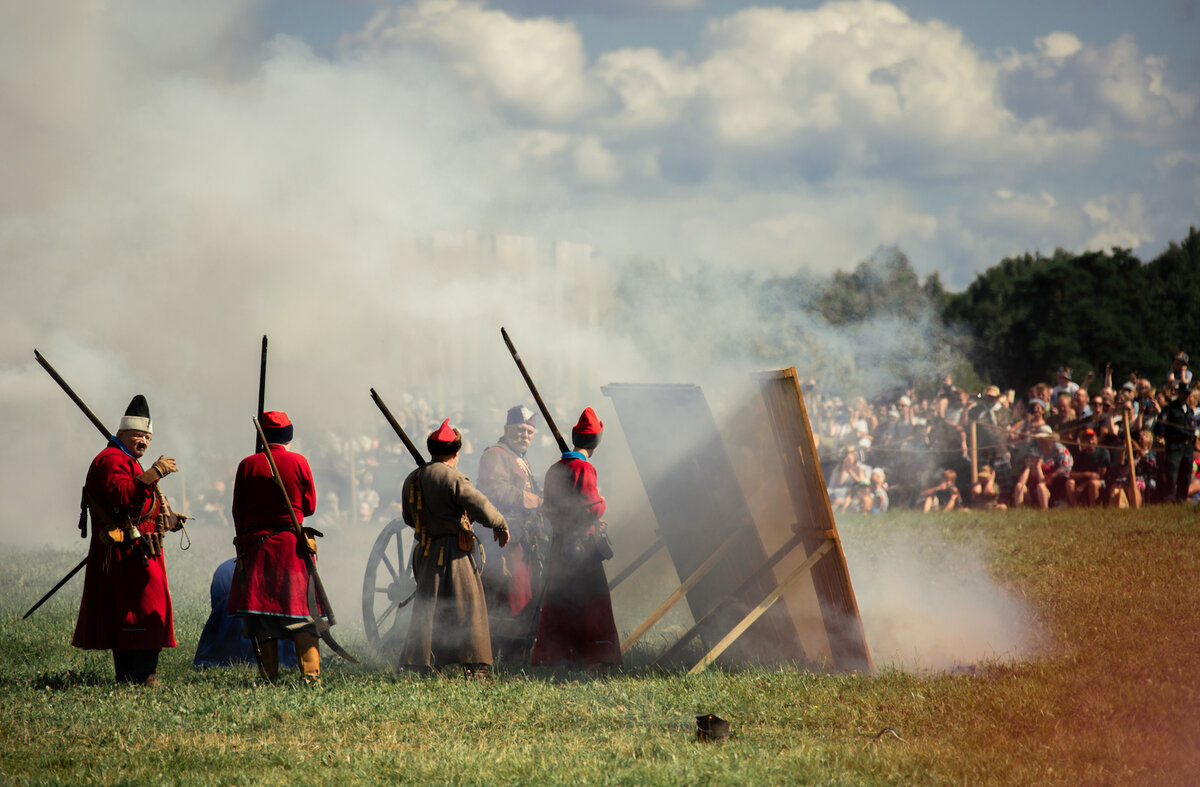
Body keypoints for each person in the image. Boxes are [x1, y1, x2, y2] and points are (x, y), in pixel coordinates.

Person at [72, 395, 183, 686]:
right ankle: (143, 676)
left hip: (138, 549)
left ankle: (131, 676)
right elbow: (124, 498)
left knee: (136, 610)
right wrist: (154, 473)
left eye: (147, 436)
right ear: (121, 433)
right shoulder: (112, 460)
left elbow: (142, 502)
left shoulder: (128, 460)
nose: (144, 440)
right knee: (144, 609)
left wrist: (168, 518)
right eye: (138, 435)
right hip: (125, 551)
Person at [399, 419, 509, 676]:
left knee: (429, 609)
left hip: (425, 553)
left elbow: (407, 518)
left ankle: (423, 663)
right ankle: (476, 665)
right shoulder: (454, 477)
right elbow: (480, 506)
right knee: (469, 609)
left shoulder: (412, 479)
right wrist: (500, 524)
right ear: (456, 452)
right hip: (455, 554)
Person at [228, 411, 321, 684]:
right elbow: (310, 507)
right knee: (302, 611)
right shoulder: (299, 461)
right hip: (292, 547)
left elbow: (238, 511)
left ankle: (269, 677)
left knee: (262, 611)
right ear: (289, 436)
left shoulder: (248, 464)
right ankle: (310, 677)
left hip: (258, 548)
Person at [531, 407, 621, 670]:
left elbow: (548, 507)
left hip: (560, 544)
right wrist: (602, 500)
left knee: (561, 598)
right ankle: (596, 657)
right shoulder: (584, 468)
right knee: (591, 602)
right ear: (595, 443)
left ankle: (557, 655)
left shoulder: (554, 469)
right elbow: (592, 507)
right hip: (581, 548)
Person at [475, 405, 544, 664]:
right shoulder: (495, 454)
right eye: (518, 430)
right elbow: (496, 491)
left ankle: (518, 652)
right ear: (506, 430)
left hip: (521, 540)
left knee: (523, 593)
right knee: (510, 594)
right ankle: (503, 650)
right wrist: (537, 501)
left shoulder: (521, 459)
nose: (524, 435)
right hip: (499, 541)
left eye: (528, 431)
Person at [194, 557, 296, 669]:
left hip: (223, 647)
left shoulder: (225, 569)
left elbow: (216, 611)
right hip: (276, 648)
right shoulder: (278, 569)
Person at [1154, 382, 1197, 502]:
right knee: (1172, 474)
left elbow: (1192, 428)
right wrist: (1162, 436)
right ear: (1179, 393)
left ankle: (1181, 498)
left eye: (1188, 394)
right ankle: (1170, 498)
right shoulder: (1170, 409)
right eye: (1184, 393)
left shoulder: (1189, 411)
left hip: (1187, 447)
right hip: (1174, 446)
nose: (1186, 396)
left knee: (1186, 473)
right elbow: (1160, 426)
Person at [1011, 425, 1073, 509]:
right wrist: (1029, 466)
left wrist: (1050, 476)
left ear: (1050, 439)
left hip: (1054, 484)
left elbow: (1065, 468)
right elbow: (1027, 464)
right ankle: (1019, 510)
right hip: (1034, 483)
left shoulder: (1059, 449)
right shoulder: (1035, 448)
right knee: (1020, 485)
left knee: (1041, 486)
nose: (1041, 441)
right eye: (1039, 439)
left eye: (1043, 439)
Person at [1068, 428, 1110, 507]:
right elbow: (1071, 474)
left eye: (1092, 439)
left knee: (1093, 483)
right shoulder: (1081, 454)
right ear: (1083, 441)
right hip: (1084, 480)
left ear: (1097, 439)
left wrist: (1083, 485)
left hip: (1101, 482)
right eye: (1087, 440)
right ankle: (1075, 507)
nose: (1090, 442)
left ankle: (1093, 507)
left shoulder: (1103, 452)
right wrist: (1086, 474)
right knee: (1069, 482)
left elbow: (1100, 476)